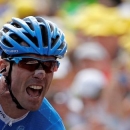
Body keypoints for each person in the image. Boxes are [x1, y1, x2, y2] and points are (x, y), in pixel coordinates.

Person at [0, 16, 67, 130]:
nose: (40, 74)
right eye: (29, 63)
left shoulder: (51, 126)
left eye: (49, 65)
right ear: (3, 67)